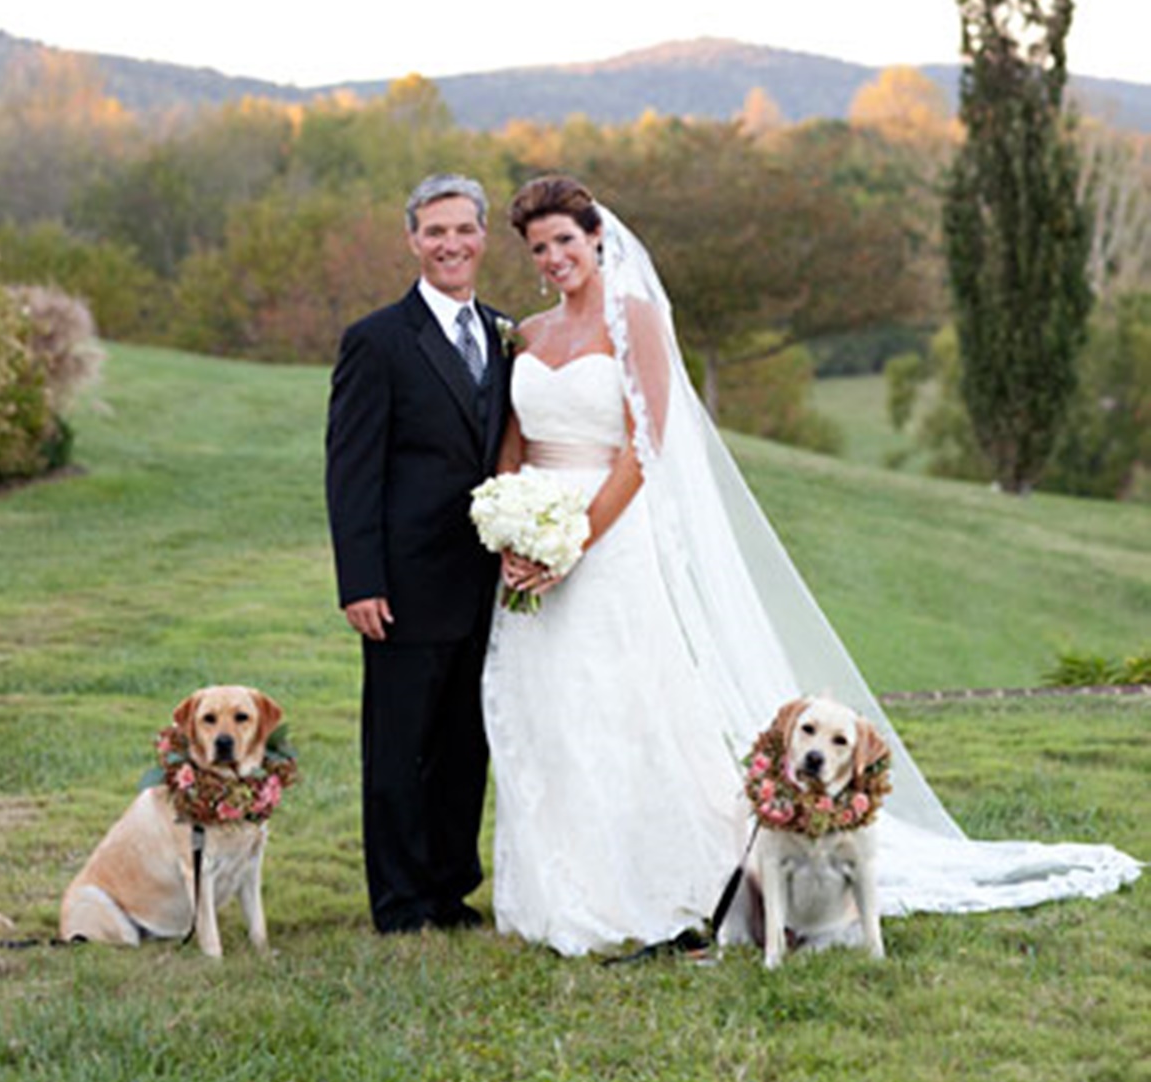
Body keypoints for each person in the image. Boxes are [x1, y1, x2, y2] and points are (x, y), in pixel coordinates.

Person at [481, 175, 1140, 957]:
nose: (554, 257)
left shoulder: (638, 320)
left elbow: (645, 445)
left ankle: (643, 883)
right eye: (538, 247)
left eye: (565, 239)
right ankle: (553, 889)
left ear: (596, 237)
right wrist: (513, 529)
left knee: (621, 703)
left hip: (610, 538)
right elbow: (515, 440)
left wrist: (577, 539)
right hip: (533, 544)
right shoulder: (526, 331)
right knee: (542, 706)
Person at [326, 174, 512, 933]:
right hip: (403, 583)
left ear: (482, 236)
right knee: (400, 750)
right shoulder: (376, 339)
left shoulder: (506, 333)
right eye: (434, 231)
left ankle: (448, 887)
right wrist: (360, 579)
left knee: (466, 747)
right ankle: (401, 901)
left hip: (484, 584)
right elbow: (351, 467)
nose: (450, 244)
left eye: (463, 229)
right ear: (412, 239)